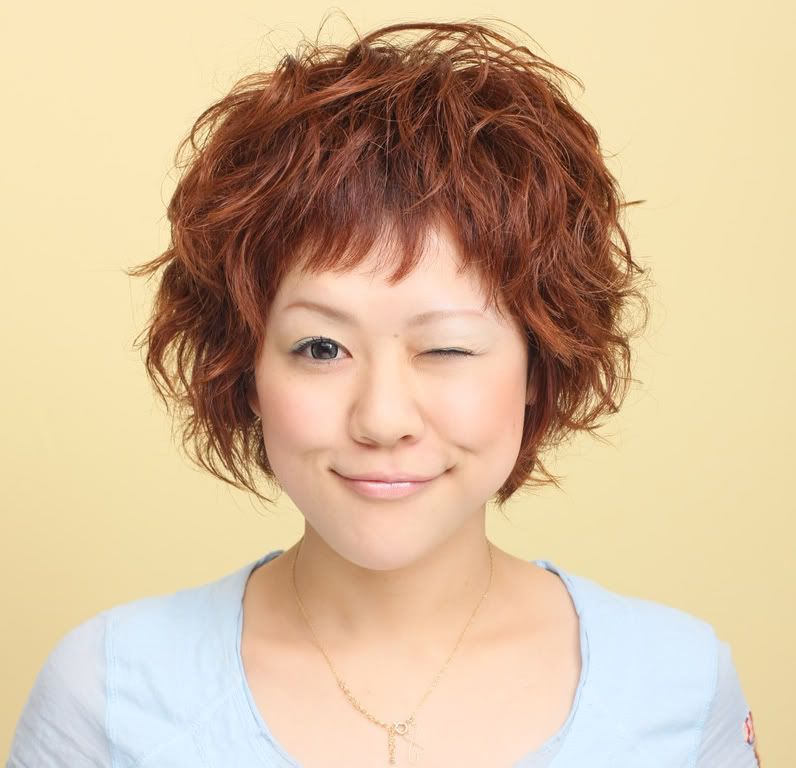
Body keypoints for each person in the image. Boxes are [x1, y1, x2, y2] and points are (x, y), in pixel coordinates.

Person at [7, 18, 761, 768]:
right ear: (246, 368)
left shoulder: (678, 690)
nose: (382, 418)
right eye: (321, 348)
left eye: (447, 348)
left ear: (539, 366)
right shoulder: (108, 693)